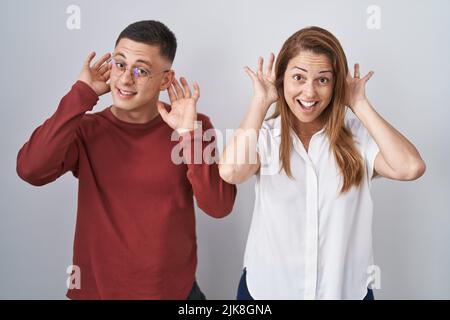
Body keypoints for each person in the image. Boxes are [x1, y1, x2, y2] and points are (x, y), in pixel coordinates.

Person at [16, 20, 236, 300]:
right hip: (98, 293)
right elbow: (30, 170)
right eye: (120, 64)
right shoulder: (87, 129)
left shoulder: (192, 126)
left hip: (176, 294)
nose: (125, 79)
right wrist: (81, 95)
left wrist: (188, 134)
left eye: (141, 70)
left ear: (166, 80)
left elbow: (219, 206)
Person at [219, 26, 426, 300]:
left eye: (323, 80)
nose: (309, 92)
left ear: (336, 83)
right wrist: (260, 100)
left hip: (344, 292)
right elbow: (231, 172)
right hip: (267, 292)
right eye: (298, 78)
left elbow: (410, 167)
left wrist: (359, 103)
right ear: (282, 80)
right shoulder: (264, 135)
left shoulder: (358, 135)